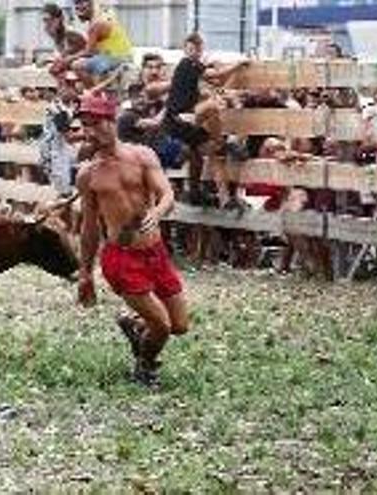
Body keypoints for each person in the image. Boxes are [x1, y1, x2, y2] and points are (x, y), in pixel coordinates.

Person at [75, 93, 189, 387]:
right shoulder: (88, 174)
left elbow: (167, 194)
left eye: (95, 123)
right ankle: (144, 367)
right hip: (121, 258)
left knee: (179, 326)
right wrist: (85, 272)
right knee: (161, 326)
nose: (89, 131)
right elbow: (89, 227)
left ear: (112, 121)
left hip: (155, 251)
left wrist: (158, 211)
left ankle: (133, 324)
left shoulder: (143, 156)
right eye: (84, 125)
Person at [161, 32, 248, 208]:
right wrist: (238, 65)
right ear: (185, 50)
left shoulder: (192, 76)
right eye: (191, 48)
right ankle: (223, 143)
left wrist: (226, 89)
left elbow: (217, 82)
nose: (195, 52)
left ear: (201, 50)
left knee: (210, 153)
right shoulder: (189, 64)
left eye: (197, 48)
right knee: (214, 107)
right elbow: (216, 75)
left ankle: (219, 198)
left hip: (182, 122)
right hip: (178, 120)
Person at [59, 0, 133, 88]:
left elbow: (89, 52)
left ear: (91, 4)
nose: (77, 7)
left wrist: (68, 59)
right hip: (116, 55)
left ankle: (94, 95)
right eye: (76, 4)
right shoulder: (102, 17)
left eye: (81, 3)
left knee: (77, 66)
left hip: (117, 57)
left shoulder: (96, 24)